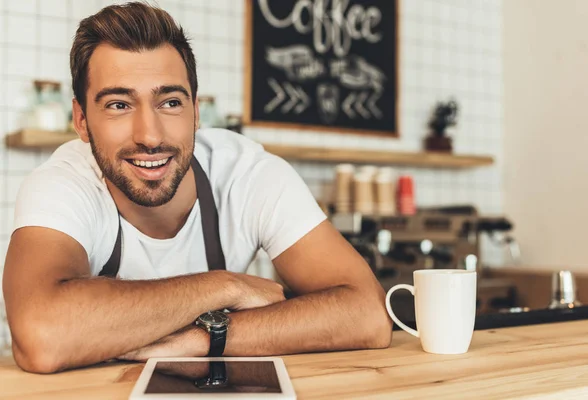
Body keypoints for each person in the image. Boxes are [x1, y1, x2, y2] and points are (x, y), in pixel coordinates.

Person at [2, 2, 392, 374]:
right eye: (119, 105)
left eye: (170, 102)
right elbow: (42, 335)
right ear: (82, 120)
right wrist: (226, 287)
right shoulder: (63, 184)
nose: (150, 136)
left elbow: (368, 315)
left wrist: (207, 337)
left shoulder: (248, 174)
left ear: (196, 113)